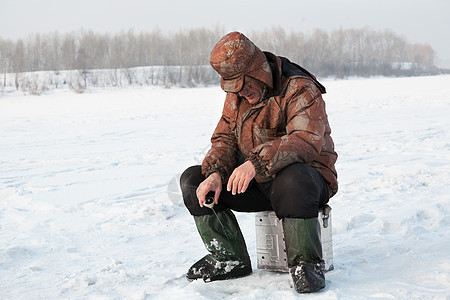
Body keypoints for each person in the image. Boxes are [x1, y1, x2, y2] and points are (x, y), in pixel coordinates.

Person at [180, 31, 338, 293]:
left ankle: (306, 264)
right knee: (193, 179)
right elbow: (224, 138)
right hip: (257, 182)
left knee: (293, 180)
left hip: (305, 183)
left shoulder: (300, 88)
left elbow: (306, 140)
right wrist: (217, 172)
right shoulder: (238, 95)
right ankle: (228, 258)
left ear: (259, 70)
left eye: (243, 84)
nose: (241, 92)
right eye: (233, 88)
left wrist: (255, 163)